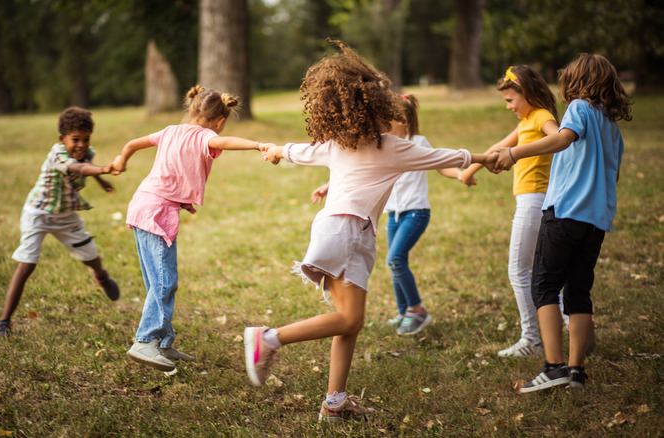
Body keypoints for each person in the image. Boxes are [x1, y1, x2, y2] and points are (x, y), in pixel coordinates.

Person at [243, 40, 497, 422]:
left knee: (351, 321)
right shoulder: (392, 147)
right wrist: (484, 158)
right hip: (348, 231)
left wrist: (276, 150)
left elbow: (297, 150)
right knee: (348, 320)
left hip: (343, 230)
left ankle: (335, 401)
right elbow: (443, 156)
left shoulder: (339, 144)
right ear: (375, 109)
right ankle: (268, 338)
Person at [494, 54, 632, 392]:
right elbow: (611, 178)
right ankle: (576, 372)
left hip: (565, 212)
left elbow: (562, 139)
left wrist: (515, 153)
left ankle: (553, 367)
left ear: (578, 82)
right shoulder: (612, 129)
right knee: (578, 293)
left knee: (544, 285)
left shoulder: (579, 109)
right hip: (595, 221)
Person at [111, 86, 273, 372]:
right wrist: (260, 145)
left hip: (143, 206)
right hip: (157, 211)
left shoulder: (169, 130)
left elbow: (133, 144)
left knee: (157, 282)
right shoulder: (207, 136)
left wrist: (122, 159)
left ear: (192, 108)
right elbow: (228, 142)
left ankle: (163, 343)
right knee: (163, 281)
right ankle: (145, 341)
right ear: (220, 121)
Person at [311, 94, 475, 336]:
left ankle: (417, 311)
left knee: (395, 259)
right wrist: (328, 186)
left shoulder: (418, 142)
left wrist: (460, 174)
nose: (384, 121)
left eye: (389, 117)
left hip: (416, 212)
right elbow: (359, 170)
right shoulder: (381, 144)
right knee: (396, 262)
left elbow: (440, 163)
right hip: (393, 215)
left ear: (404, 120)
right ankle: (403, 312)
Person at [459, 65, 569, 357]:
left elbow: (558, 138)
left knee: (520, 271)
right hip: (532, 200)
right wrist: (469, 171)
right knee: (540, 270)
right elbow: (499, 147)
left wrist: (518, 153)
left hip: (535, 199)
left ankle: (532, 339)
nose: (508, 106)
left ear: (528, 93)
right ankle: (565, 320)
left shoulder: (542, 116)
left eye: (510, 100)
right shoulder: (528, 119)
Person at [0, 106, 119, 337]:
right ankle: (3, 321)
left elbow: (85, 162)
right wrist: (103, 169)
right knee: (27, 264)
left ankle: (101, 275)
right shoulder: (58, 154)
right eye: (75, 139)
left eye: (86, 138)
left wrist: (101, 181)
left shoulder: (87, 151)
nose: (81, 144)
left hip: (66, 214)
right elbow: (77, 167)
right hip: (38, 214)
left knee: (90, 254)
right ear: (62, 139)